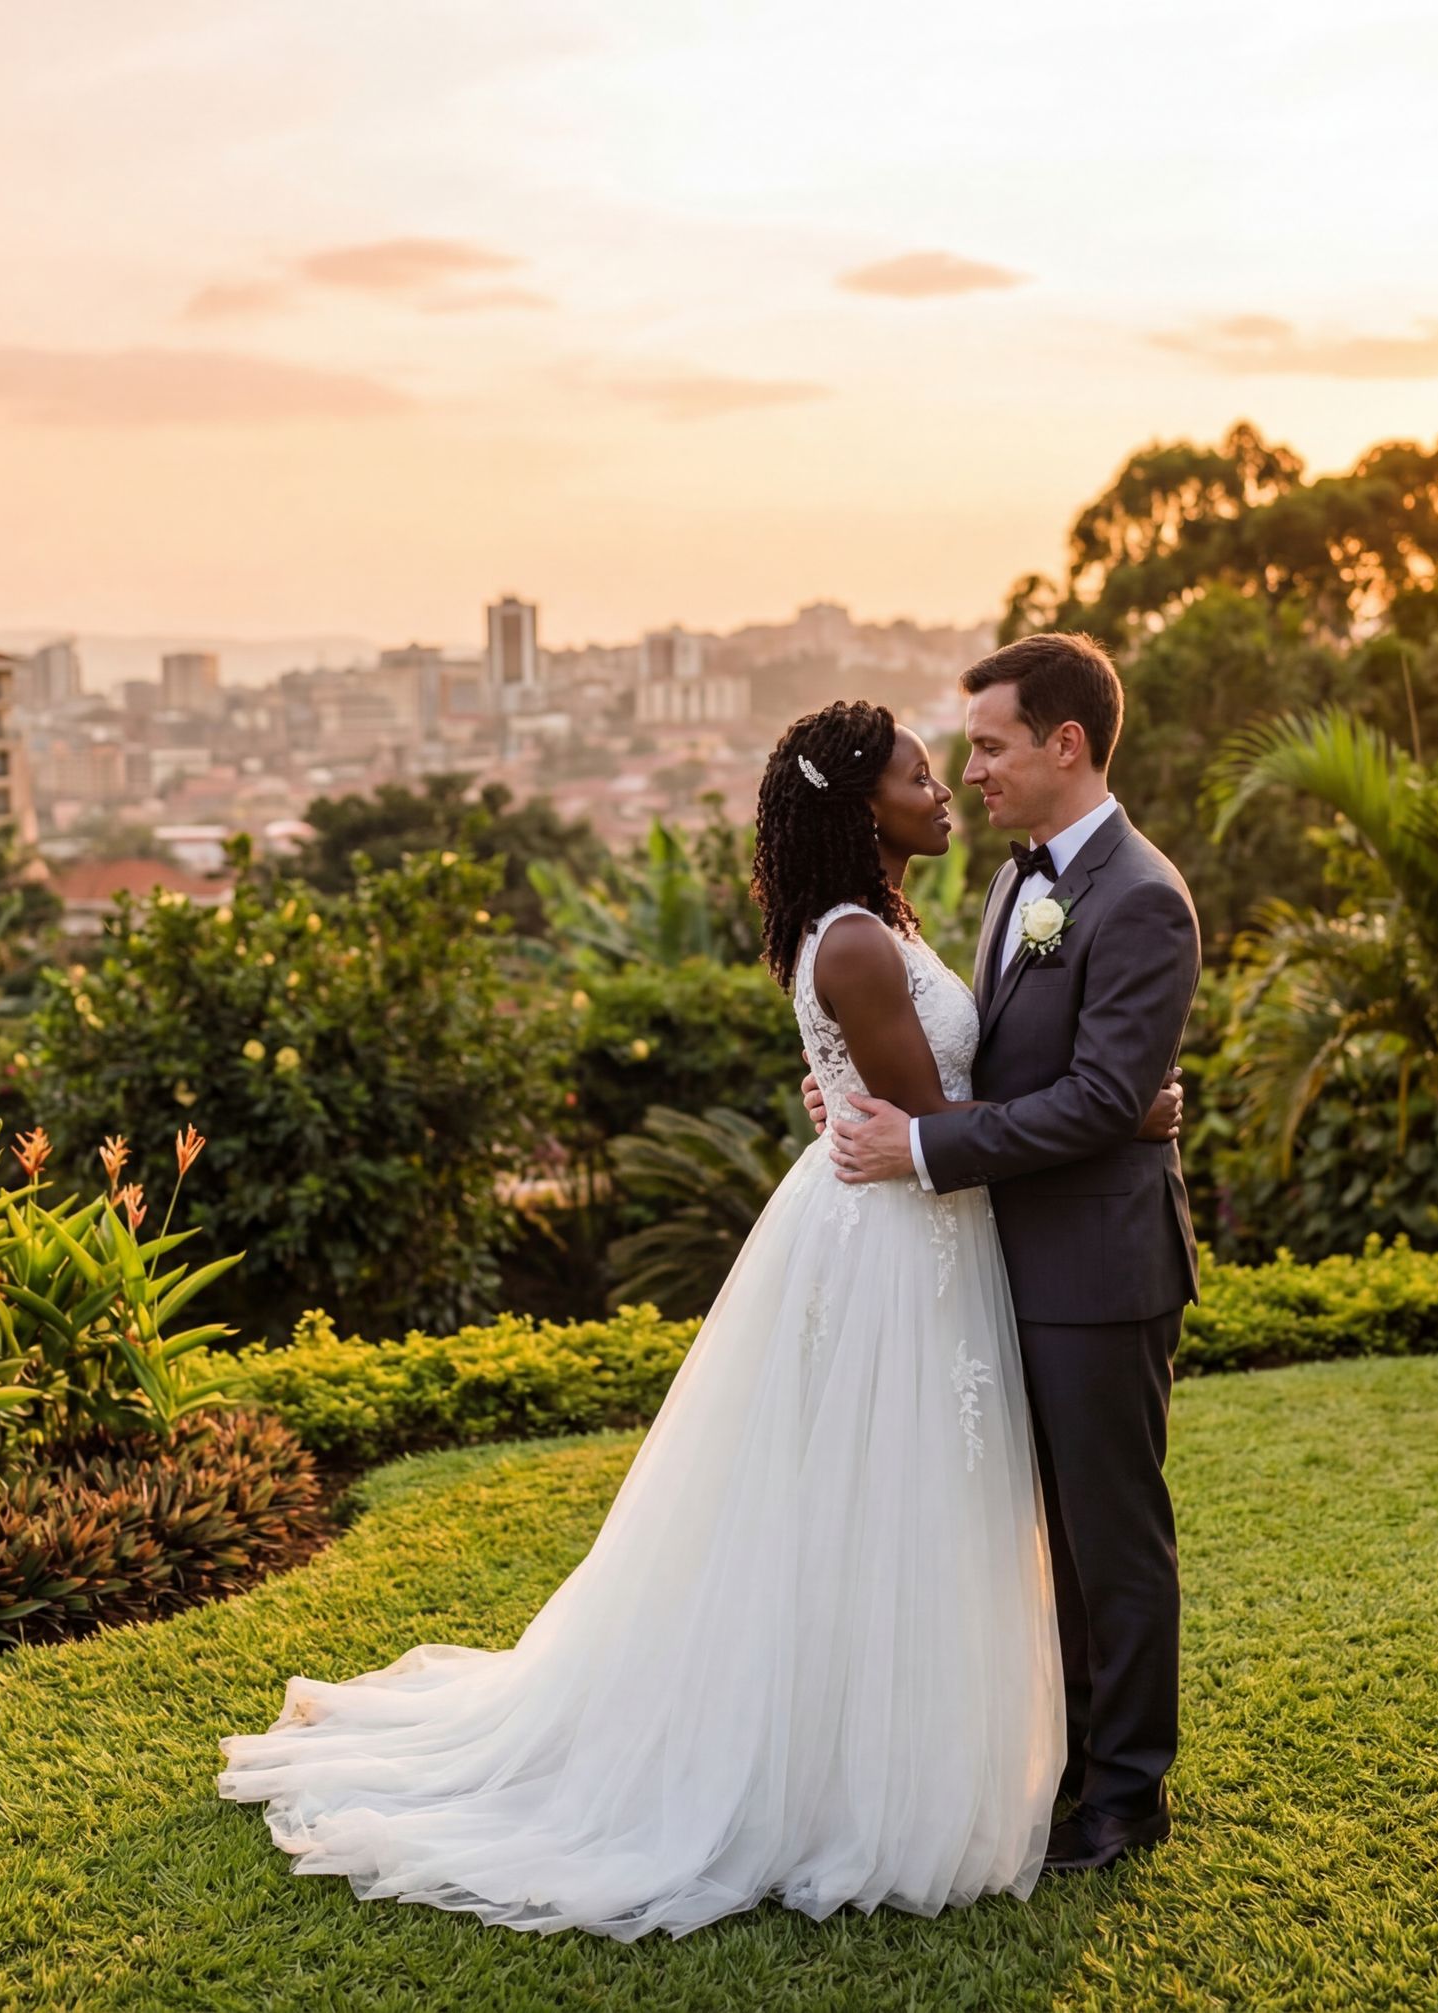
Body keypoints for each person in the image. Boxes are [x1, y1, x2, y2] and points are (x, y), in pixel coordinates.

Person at [218, 697, 1174, 1938]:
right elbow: (939, 1117)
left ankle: (931, 1750)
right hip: (899, 1243)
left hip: (911, 1227)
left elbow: (919, 1101)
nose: (946, 792)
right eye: (922, 777)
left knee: (888, 1510)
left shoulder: (890, 922)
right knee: (878, 1509)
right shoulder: (860, 947)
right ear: (858, 806)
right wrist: (1118, 1110)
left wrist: (1036, 1104)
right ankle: (845, 1775)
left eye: (957, 768)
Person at [825, 631, 1202, 1873]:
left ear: (1066, 744)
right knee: (1045, 1539)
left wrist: (929, 1152)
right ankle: (1068, 1762)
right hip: (1005, 1256)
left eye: (988, 746)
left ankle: (1127, 1796)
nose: (972, 771)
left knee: (1113, 1538)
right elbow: (1018, 1071)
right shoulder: (1011, 884)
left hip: (1098, 1272)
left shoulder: (1143, 896)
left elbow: (1098, 1099)